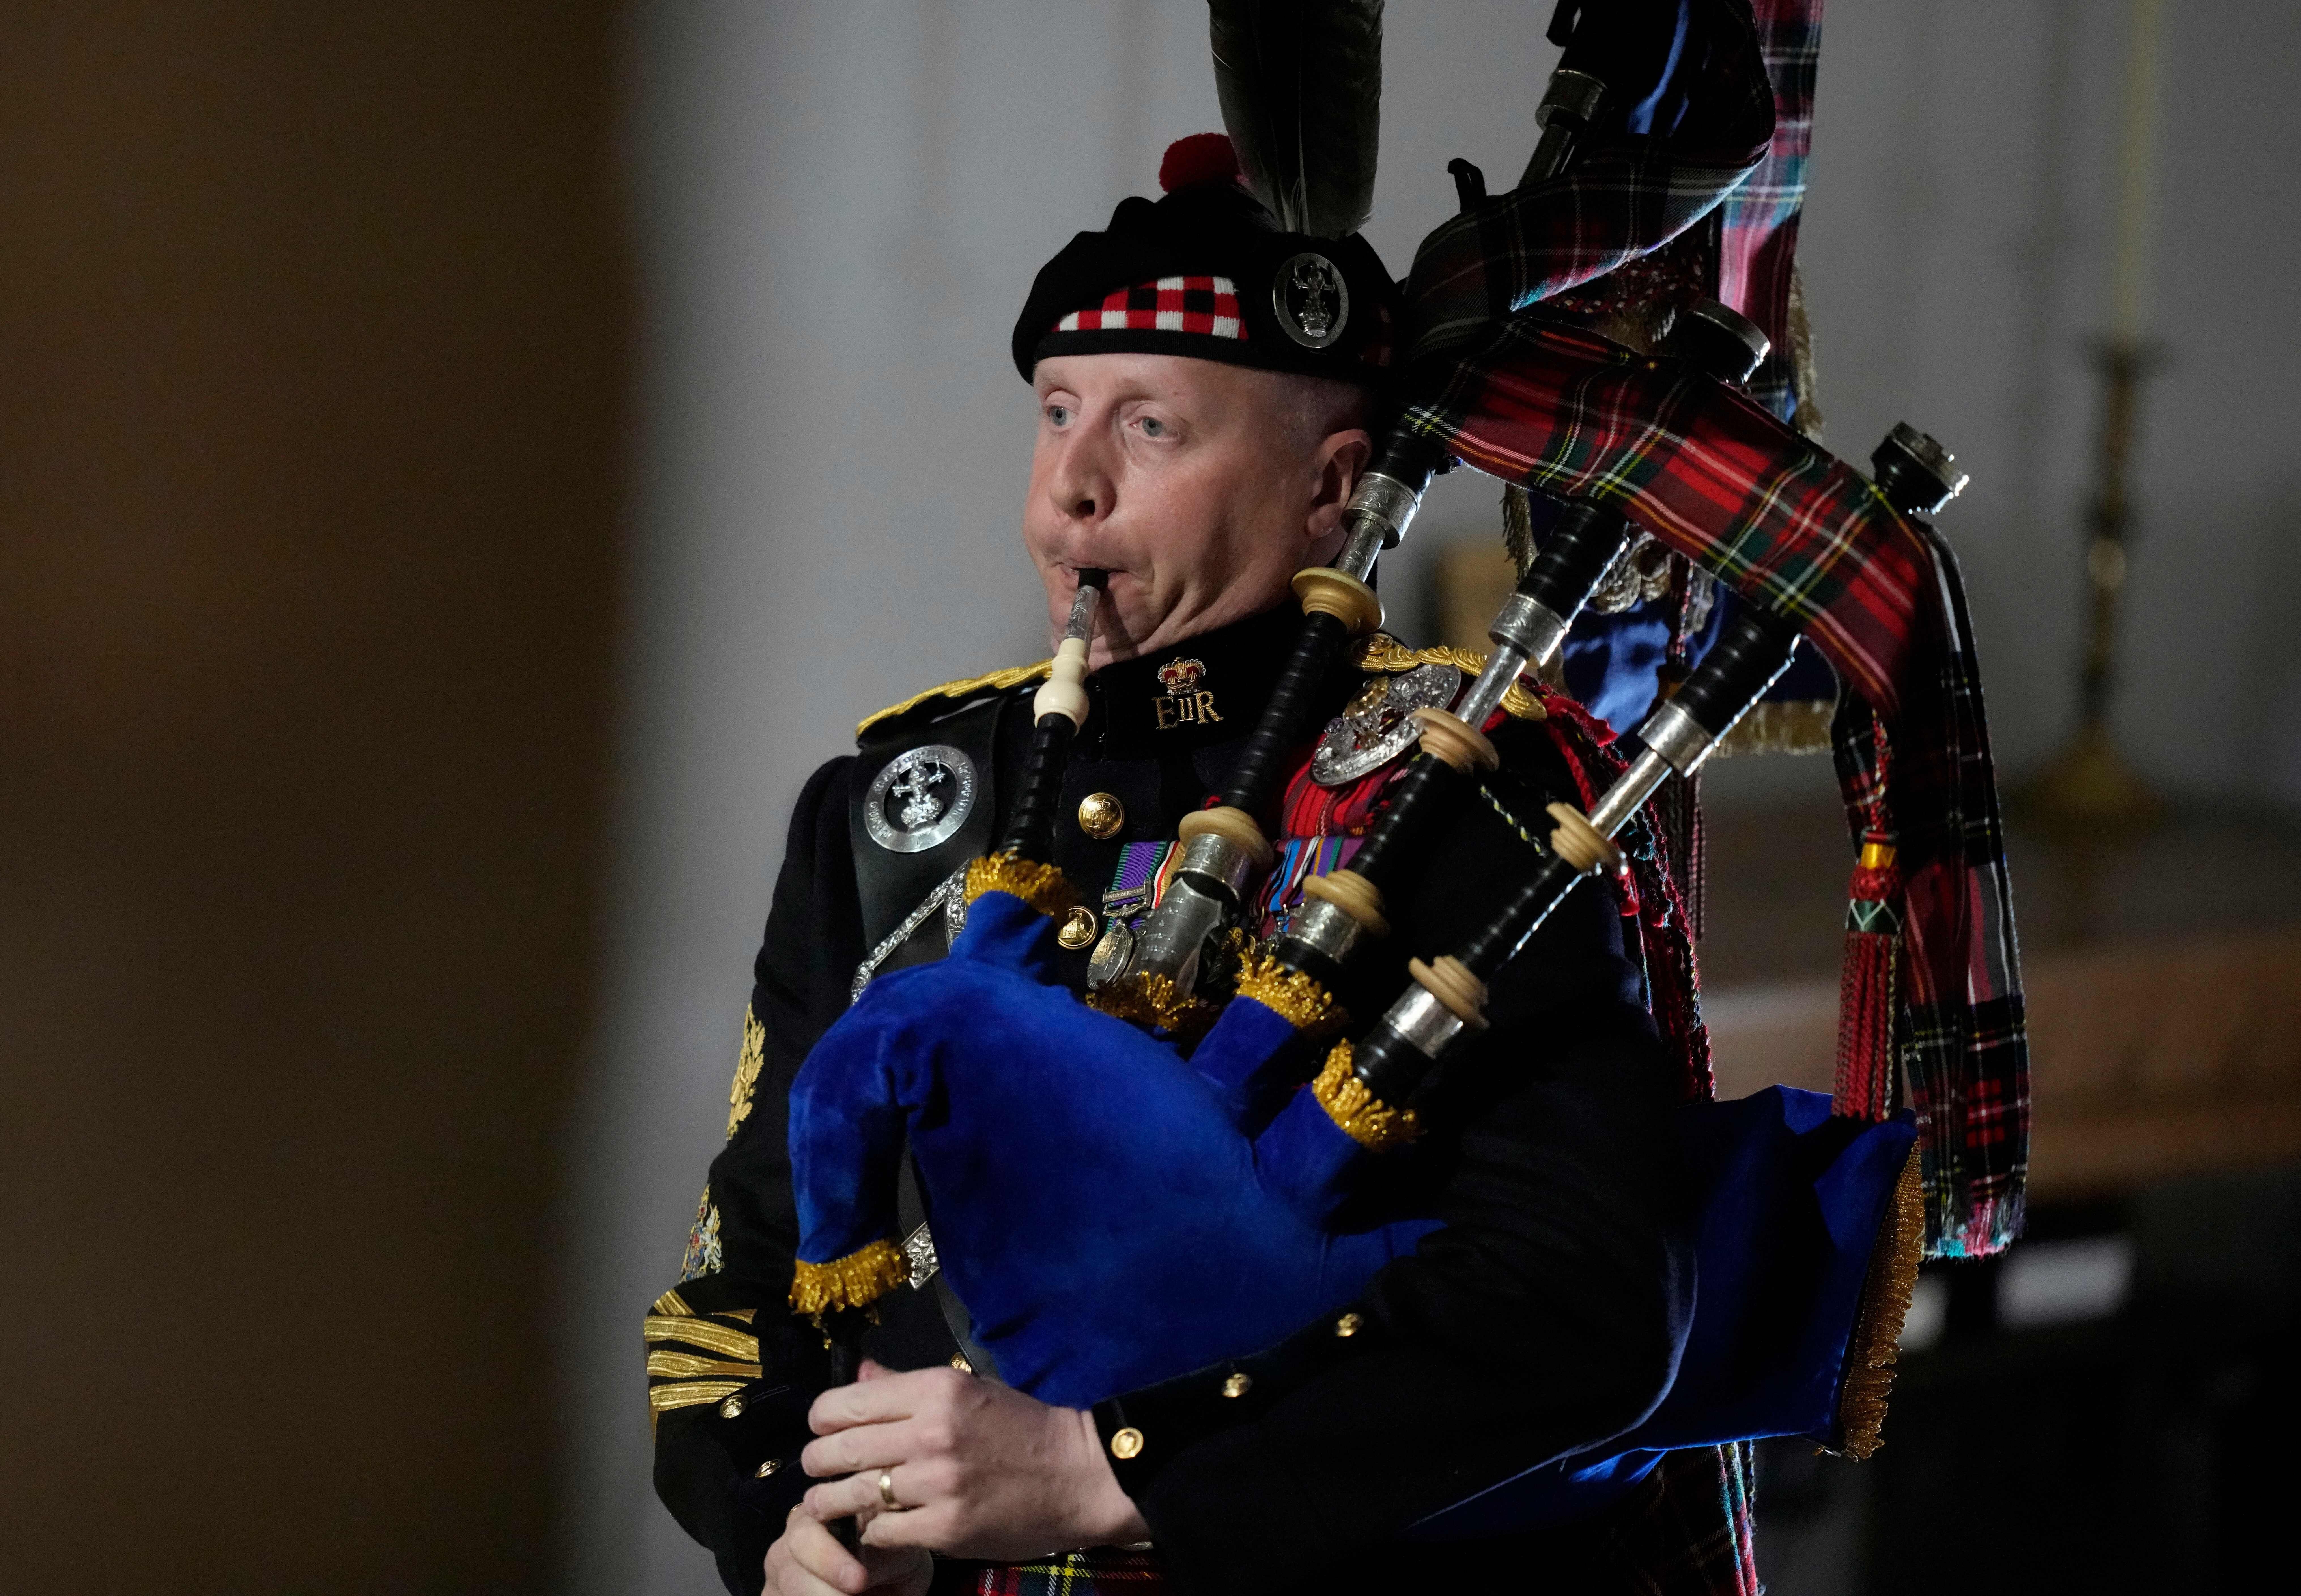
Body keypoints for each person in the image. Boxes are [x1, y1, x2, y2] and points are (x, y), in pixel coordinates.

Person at [648, 144, 1754, 1596]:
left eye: (1152, 427)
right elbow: (742, 1296)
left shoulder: (1464, 785)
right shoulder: (893, 811)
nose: (1071, 492)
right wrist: (791, 1521)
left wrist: (1113, 1472)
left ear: (1331, 490)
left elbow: (1584, 1303)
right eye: (1055, 413)